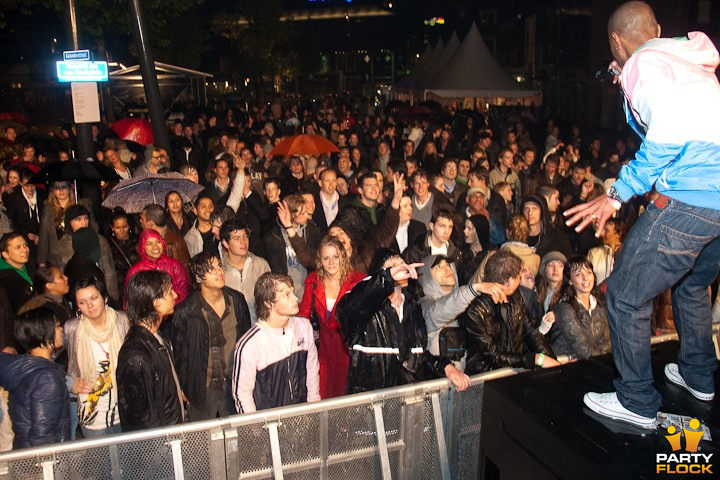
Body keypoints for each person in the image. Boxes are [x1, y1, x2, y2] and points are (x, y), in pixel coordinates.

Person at [565, 1, 720, 428]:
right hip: (718, 202)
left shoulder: (643, 63)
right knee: (692, 284)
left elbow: (667, 134)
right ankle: (698, 376)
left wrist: (617, 194)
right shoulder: (687, 62)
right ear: (657, 28)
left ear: (617, 41)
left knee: (626, 294)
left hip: (689, 197)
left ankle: (636, 401)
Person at [335, 250, 471, 394]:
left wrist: (446, 367)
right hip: (369, 406)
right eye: (393, 265)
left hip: (405, 405)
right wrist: (387, 277)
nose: (401, 267)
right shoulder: (365, 312)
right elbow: (348, 308)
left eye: (402, 263)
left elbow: (418, 357)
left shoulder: (413, 309)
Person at [170, 253, 251, 420]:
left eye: (219, 266)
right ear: (199, 278)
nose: (219, 272)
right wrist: (183, 386)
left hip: (234, 384)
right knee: (204, 442)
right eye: (211, 269)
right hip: (202, 388)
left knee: (236, 439)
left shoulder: (236, 300)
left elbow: (246, 341)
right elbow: (180, 353)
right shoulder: (186, 311)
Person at [457, 250, 560, 374]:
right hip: (486, 378)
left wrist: (553, 362)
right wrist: (534, 359)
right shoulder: (475, 311)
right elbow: (492, 355)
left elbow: (531, 334)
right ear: (509, 281)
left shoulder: (515, 297)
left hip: (513, 370)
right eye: (518, 275)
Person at [232, 272, 320, 413]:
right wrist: (256, 429)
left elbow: (312, 370)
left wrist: (314, 409)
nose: (295, 298)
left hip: (302, 418)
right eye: (286, 295)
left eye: (292, 292)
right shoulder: (250, 344)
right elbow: (242, 395)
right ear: (268, 303)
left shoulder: (304, 327)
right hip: (269, 425)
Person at [298, 236, 365, 399]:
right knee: (323, 394)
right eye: (326, 258)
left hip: (350, 348)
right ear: (320, 260)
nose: (331, 262)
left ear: (343, 256)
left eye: (335, 257)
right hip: (323, 349)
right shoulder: (313, 281)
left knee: (348, 397)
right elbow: (302, 318)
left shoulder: (358, 281)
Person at [117, 270, 183, 431]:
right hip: (161, 447)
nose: (175, 295)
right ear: (156, 302)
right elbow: (142, 422)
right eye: (169, 292)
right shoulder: (136, 356)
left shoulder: (157, 337)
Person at [66, 275, 129, 437]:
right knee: (102, 460)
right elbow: (51, 361)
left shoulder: (122, 321)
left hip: (123, 406)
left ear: (105, 298)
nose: (89, 305)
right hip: (93, 412)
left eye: (94, 298)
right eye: (82, 302)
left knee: (129, 459)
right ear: (77, 306)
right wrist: (71, 384)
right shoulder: (72, 329)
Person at [418, 255, 508, 369]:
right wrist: (474, 289)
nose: (447, 268)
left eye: (448, 265)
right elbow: (441, 309)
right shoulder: (425, 306)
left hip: (461, 382)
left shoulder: (465, 305)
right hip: (436, 383)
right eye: (438, 267)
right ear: (426, 276)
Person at [0, 308, 69, 448]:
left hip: (23, 452)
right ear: (45, 333)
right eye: (56, 325)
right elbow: (42, 439)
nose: (61, 329)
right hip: (42, 464)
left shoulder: (27, 368)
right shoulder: (46, 378)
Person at [550, 256, 610, 360]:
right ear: (570, 280)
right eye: (578, 274)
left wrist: (603, 353)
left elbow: (607, 341)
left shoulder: (598, 304)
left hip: (591, 363)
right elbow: (583, 350)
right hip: (565, 366)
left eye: (588, 272)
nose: (585, 278)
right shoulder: (564, 308)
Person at [124, 229, 190, 306]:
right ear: (143, 247)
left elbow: (184, 292)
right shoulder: (135, 272)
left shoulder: (174, 265)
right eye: (149, 244)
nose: (155, 246)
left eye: (158, 242)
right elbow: (130, 302)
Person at [0, 232, 34, 314]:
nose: (25, 250)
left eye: (25, 245)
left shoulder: (30, 268)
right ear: (5, 254)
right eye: (18, 247)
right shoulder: (4, 279)